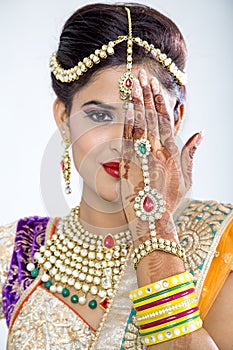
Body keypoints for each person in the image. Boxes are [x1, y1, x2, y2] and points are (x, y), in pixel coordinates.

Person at [1, 3, 233, 349]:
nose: (122, 142)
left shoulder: (220, 240)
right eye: (98, 116)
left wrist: (153, 230)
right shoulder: (16, 253)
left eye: (142, 117)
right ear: (63, 117)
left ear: (177, 119)